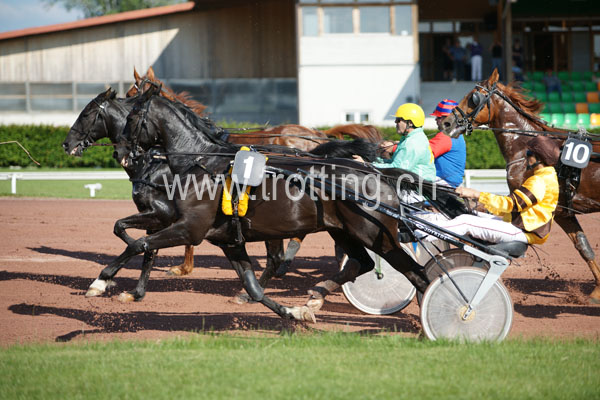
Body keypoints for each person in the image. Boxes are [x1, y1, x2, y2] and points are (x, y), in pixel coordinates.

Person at [422, 135, 560, 245]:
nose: (526, 157)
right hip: (521, 226)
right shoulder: (546, 176)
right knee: (469, 214)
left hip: (524, 231)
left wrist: (476, 194)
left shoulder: (540, 181)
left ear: (540, 158)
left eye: (529, 153)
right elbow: (512, 207)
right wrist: (483, 205)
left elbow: (511, 204)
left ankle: (421, 236)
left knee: (465, 221)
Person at [354, 103, 436, 181]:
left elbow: (397, 169)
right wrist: (370, 161)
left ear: (410, 123)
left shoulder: (412, 143)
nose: (395, 122)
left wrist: (366, 165)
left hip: (419, 186)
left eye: (398, 120)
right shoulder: (412, 138)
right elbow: (394, 162)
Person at [428, 99, 466, 188]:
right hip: (448, 183)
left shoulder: (446, 135)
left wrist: (397, 147)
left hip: (443, 183)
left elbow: (423, 152)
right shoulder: (456, 133)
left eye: (438, 117)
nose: (436, 119)